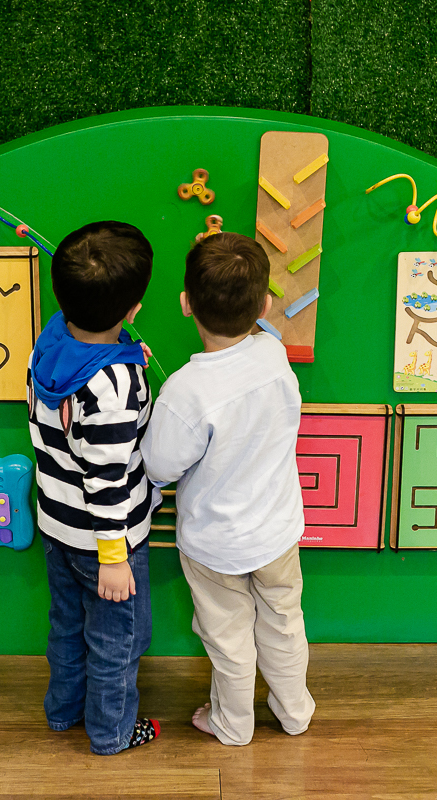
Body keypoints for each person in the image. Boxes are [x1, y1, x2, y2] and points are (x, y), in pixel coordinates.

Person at [140, 232, 315, 746]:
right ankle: (295, 711)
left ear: (184, 303)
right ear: (264, 304)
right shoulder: (274, 354)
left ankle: (233, 724)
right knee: (285, 623)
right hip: (278, 532)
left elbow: (158, 464)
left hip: (216, 543)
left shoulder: (186, 392)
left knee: (228, 637)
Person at [27, 220, 161, 755]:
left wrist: (128, 356)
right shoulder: (112, 386)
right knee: (118, 642)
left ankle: (63, 711)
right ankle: (111, 733)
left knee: (66, 630)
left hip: (56, 526)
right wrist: (113, 557)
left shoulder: (52, 340)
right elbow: (105, 481)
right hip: (106, 541)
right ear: (131, 310)